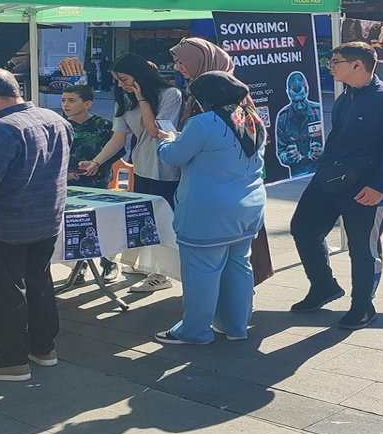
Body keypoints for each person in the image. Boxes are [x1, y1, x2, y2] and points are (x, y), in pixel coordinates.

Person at [289, 42, 383, 330]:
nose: (330, 67)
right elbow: (337, 138)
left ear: (357, 65)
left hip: (368, 188)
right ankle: (323, 286)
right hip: (331, 180)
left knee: (362, 247)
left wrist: (382, 186)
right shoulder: (346, 96)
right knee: (303, 228)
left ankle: (362, 306)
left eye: (335, 61)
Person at [0, 69, 73, 381]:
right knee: (40, 284)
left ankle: (10, 359)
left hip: (2, 225)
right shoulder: (55, 119)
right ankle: (43, 347)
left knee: (0, 292)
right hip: (46, 220)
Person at [153, 71, 266, 344]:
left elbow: (174, 156)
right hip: (249, 206)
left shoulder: (202, 123)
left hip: (208, 211)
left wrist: (167, 138)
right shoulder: (253, 119)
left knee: (201, 271)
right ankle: (236, 327)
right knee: (239, 266)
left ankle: (194, 331)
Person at [171, 38, 274, 285]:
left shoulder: (215, 95)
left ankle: (211, 306)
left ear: (200, 60)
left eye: (182, 61)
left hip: (214, 201)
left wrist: (170, 141)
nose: (177, 67)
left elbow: (179, 153)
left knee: (208, 270)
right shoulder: (223, 95)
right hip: (244, 199)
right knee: (238, 265)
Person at [79, 53, 183, 293]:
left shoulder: (170, 95)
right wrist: (96, 162)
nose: (120, 85)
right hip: (141, 165)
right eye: (117, 80)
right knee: (145, 218)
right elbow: (118, 138)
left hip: (166, 166)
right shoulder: (124, 99)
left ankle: (162, 273)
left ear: (140, 75)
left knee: (164, 220)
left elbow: (155, 130)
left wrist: (142, 98)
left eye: (124, 79)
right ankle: (147, 265)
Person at [62, 84, 122, 281]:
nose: (66, 105)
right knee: (76, 226)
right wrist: (64, 174)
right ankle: (80, 265)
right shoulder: (60, 126)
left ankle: (108, 263)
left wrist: (98, 164)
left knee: (101, 224)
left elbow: (116, 151)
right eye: (63, 100)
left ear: (87, 104)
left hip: (97, 184)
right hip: (69, 186)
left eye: (72, 100)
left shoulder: (103, 125)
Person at [274, 71, 325, 178]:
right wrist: (288, 157)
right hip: (297, 174)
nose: (299, 106)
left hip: (320, 169)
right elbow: (281, 152)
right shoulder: (282, 118)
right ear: (288, 94)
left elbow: (333, 142)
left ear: (306, 91)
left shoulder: (318, 111)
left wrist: (322, 151)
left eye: (302, 100)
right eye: (295, 101)